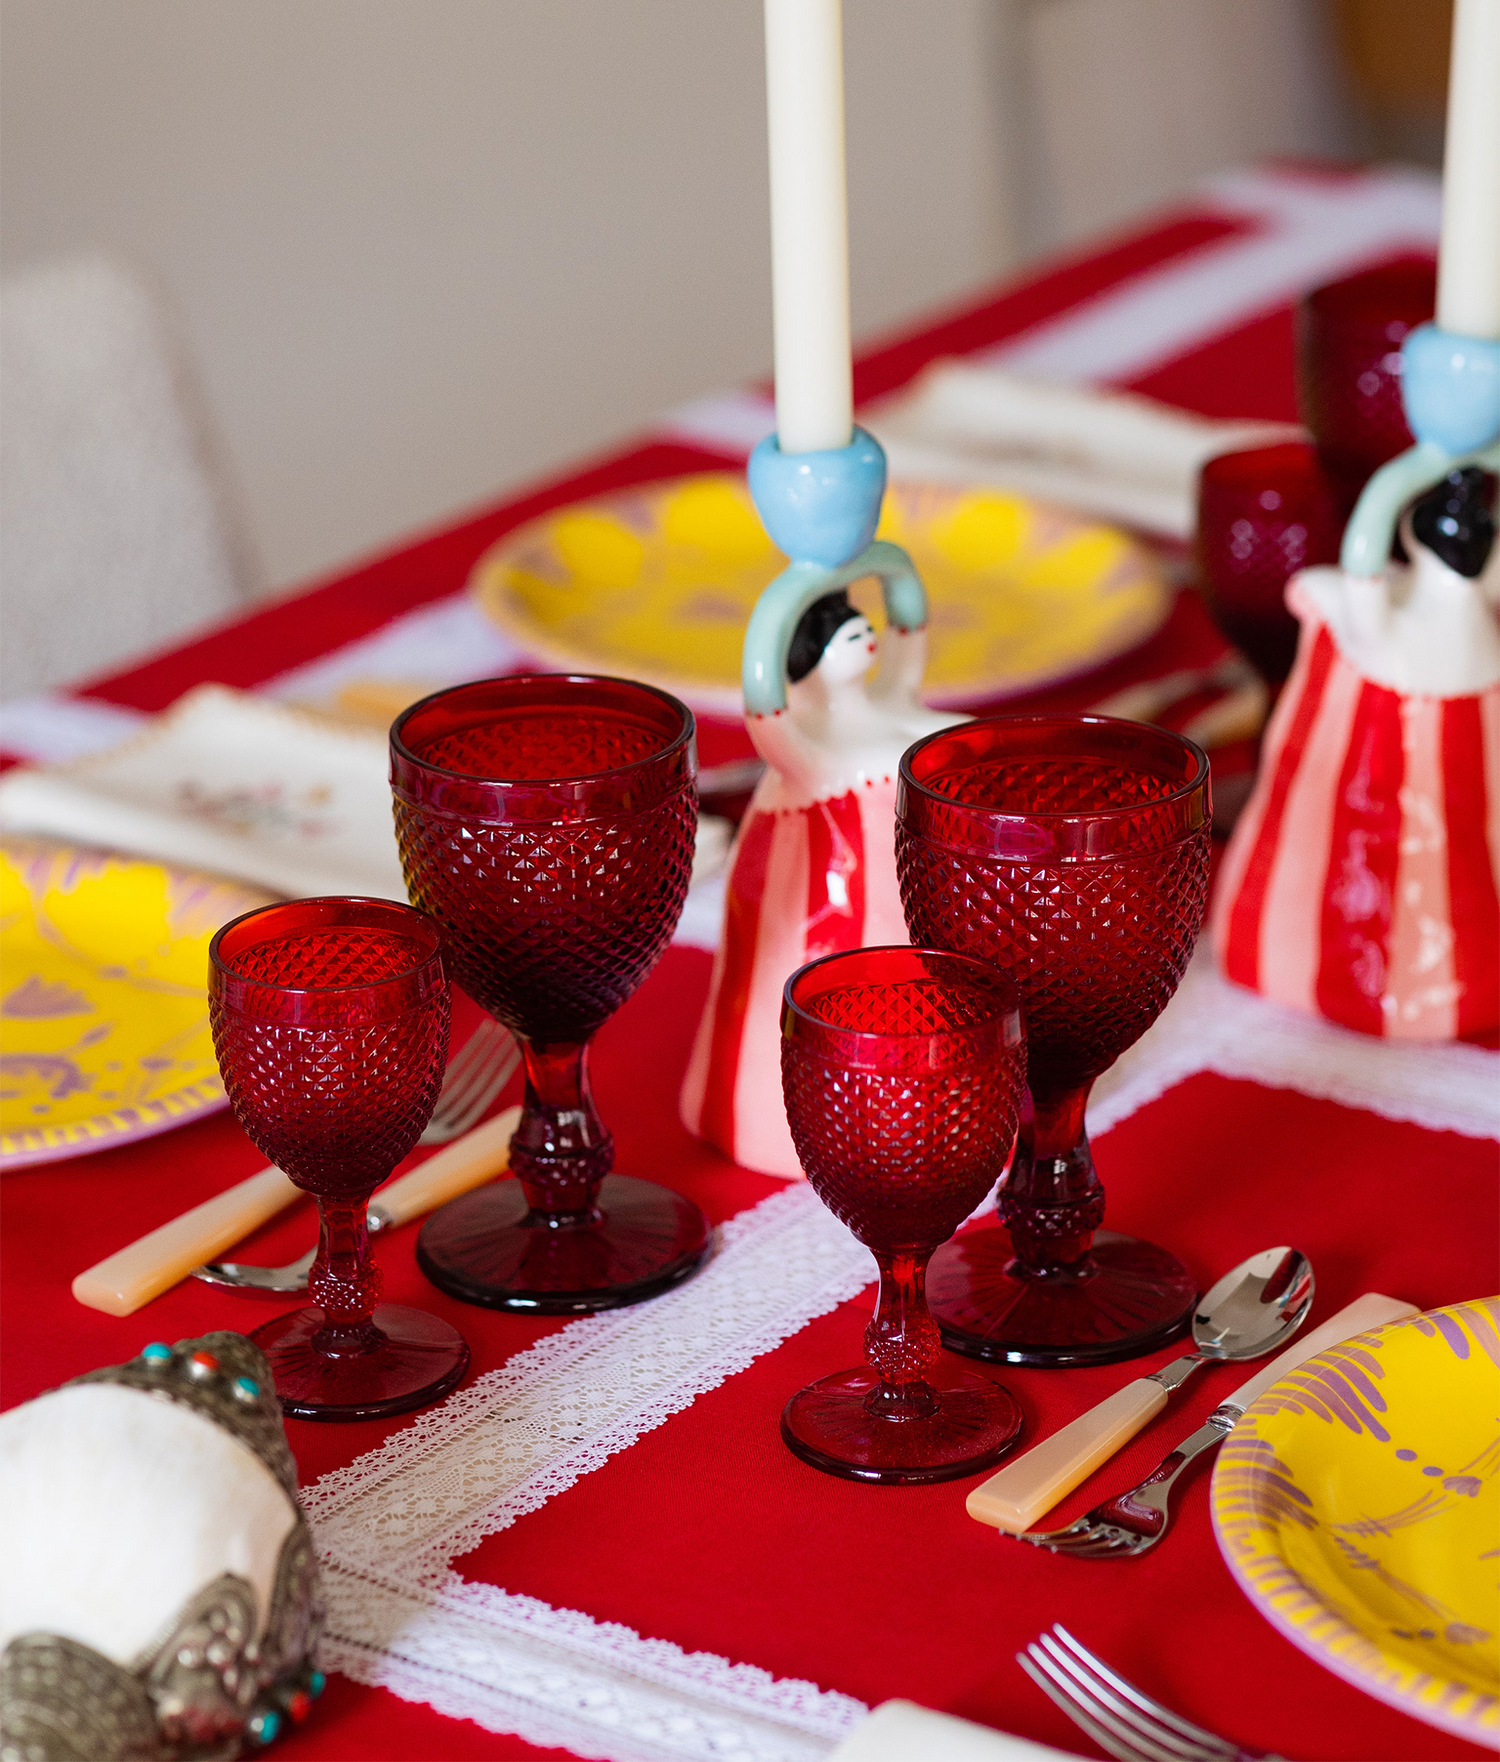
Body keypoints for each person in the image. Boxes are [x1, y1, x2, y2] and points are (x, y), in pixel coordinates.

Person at [680, 589, 962, 1177]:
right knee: (816, 985)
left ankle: (937, 1121)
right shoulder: (801, 740)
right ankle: (785, 1125)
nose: (861, 634)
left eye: (861, 623)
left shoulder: (890, 702)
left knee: (926, 983)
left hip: (909, 870)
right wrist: (788, 600)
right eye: (840, 632)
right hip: (824, 876)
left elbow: (913, 657)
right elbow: (765, 715)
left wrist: (895, 577)